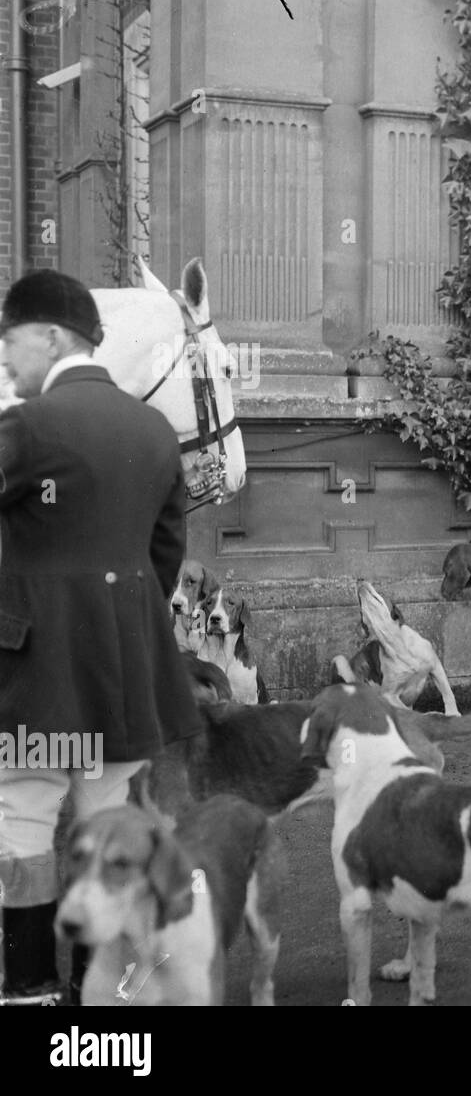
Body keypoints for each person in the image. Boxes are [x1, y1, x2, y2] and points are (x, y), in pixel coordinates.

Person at [0, 270, 202, 1005]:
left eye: (10, 343)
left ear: (51, 336)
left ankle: (27, 992)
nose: (6, 360)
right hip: (124, 679)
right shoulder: (153, 429)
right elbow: (165, 554)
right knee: (107, 828)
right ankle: (108, 995)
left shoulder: (28, 426)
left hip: (39, 680)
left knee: (21, 822)